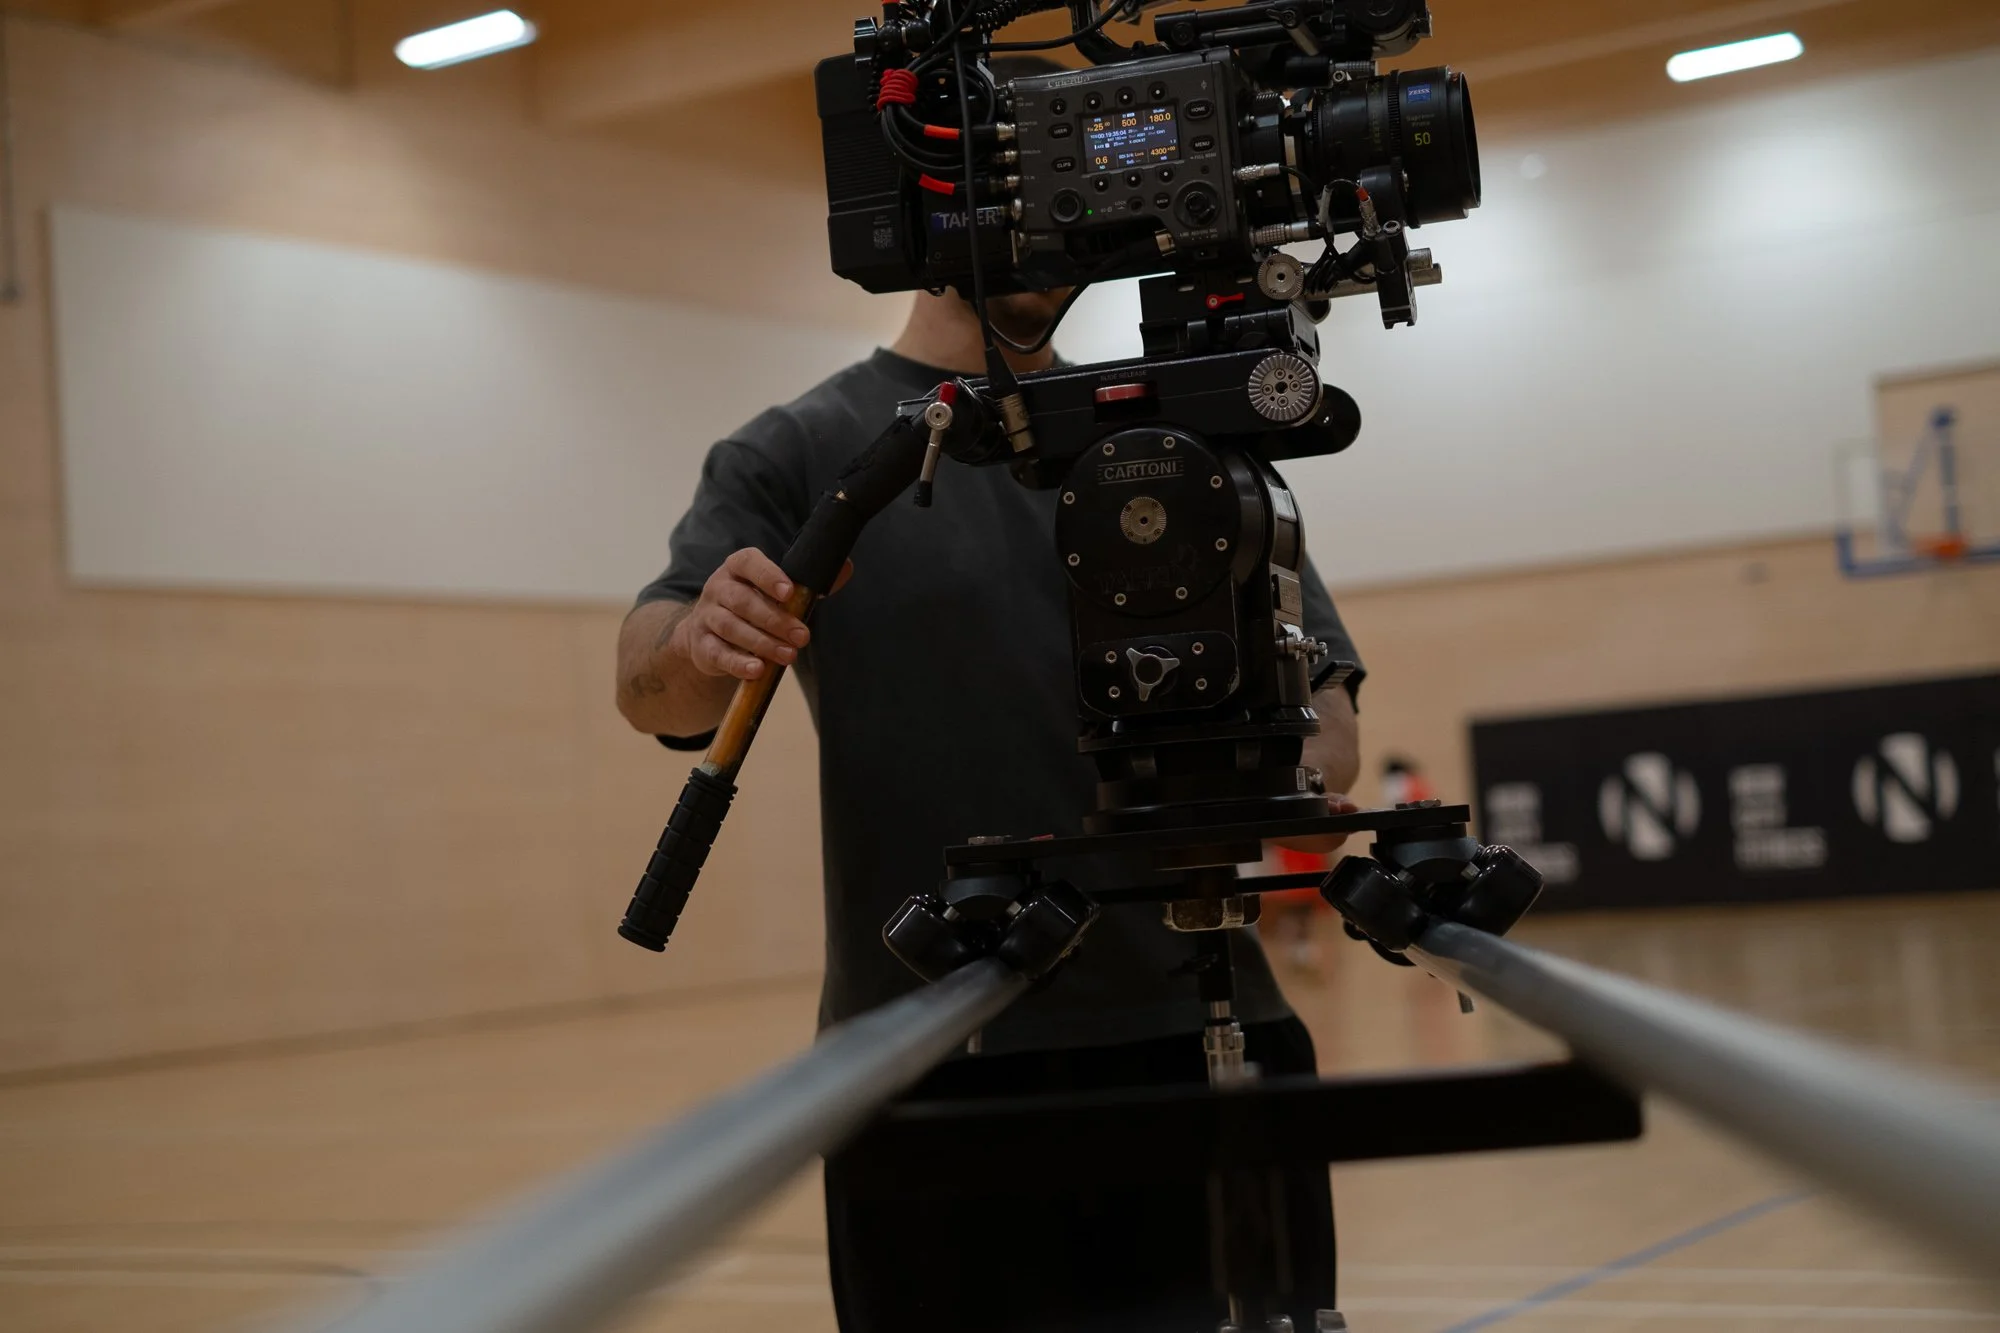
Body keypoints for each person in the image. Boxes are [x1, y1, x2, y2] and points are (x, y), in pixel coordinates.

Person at [614, 204, 1366, 1333]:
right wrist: (697, 638)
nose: (1042, 237)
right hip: (922, 1053)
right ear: (929, 217)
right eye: (1010, 198)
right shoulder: (802, 449)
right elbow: (649, 686)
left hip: (1198, 1030)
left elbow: (1332, 734)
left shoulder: (1165, 432)